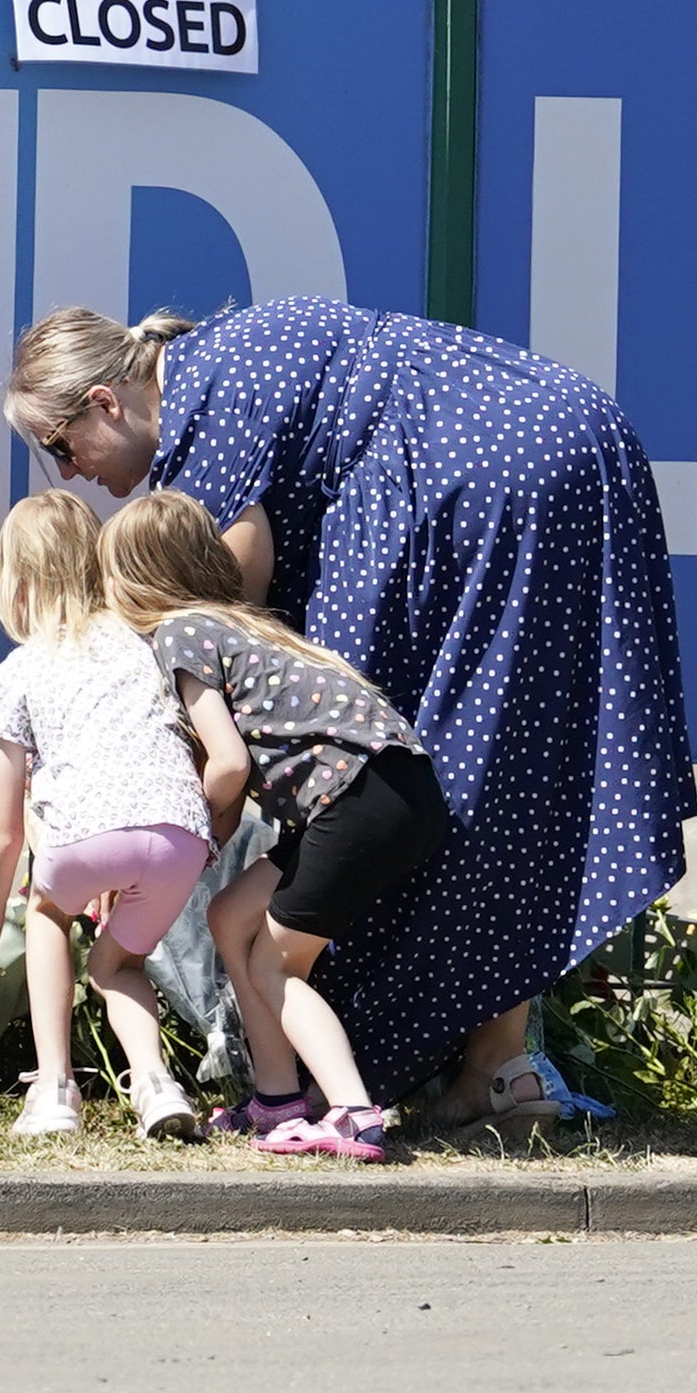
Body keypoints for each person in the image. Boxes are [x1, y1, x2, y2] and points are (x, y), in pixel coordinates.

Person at [5, 298, 697, 1127]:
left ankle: (333, 1077)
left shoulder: (198, 419)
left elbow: (235, 603)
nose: (69, 470)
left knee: (424, 773)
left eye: (58, 445)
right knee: (509, 764)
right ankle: (498, 1067)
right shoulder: (225, 358)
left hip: (483, 478)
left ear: (105, 403)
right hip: (573, 440)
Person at [100, 490, 448, 1162]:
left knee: (276, 961)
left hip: (354, 798)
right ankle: (278, 1100)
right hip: (387, 787)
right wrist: (214, 841)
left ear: (134, 579)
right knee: (232, 915)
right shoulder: (234, 623)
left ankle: (351, 1112)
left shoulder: (178, 634)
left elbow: (227, 763)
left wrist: (189, 838)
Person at [0, 488, 214, 1142]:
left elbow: (5, 830)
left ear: (18, 580)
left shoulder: (19, 670)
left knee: (47, 914)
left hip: (80, 841)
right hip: (178, 835)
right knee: (115, 965)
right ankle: (155, 1082)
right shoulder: (144, 640)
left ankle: (54, 1087)